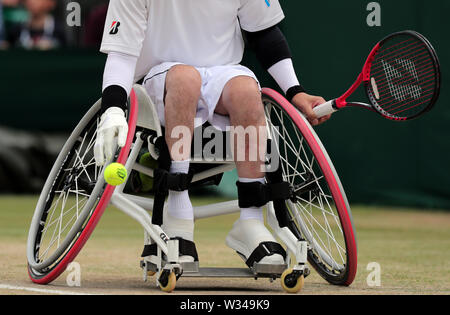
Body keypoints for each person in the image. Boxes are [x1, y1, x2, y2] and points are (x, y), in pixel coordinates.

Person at [95, 0, 331, 267]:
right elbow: (122, 54)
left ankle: (250, 223)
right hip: (158, 78)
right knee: (186, 78)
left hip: (222, 73)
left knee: (245, 90)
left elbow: (264, 33)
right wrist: (113, 109)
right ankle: (178, 216)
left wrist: (295, 91)